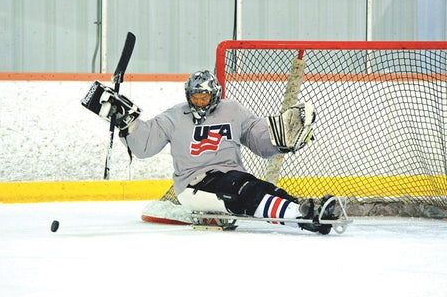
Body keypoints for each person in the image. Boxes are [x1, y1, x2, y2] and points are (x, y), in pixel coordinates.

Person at [82, 70, 337, 234]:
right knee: (244, 189)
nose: (199, 102)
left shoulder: (233, 111)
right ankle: (301, 216)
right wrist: (129, 123)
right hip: (194, 184)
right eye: (195, 97)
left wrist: (280, 138)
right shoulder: (174, 116)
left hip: (232, 176)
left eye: (203, 97)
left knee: (259, 187)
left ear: (215, 95)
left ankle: (306, 212)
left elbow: (258, 139)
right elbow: (145, 145)